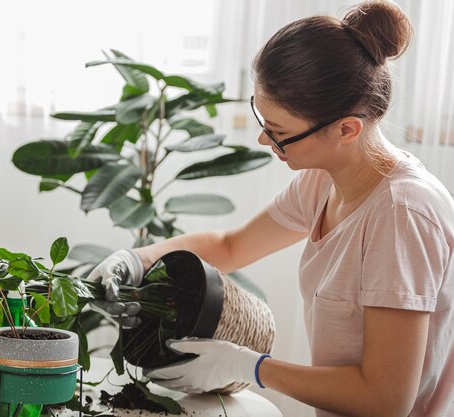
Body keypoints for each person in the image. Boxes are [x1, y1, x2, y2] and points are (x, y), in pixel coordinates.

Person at [87, 1, 454, 416]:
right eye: (263, 121)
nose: (265, 141)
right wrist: (134, 260)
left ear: (346, 129)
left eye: (279, 133)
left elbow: (386, 400)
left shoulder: (401, 214)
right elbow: (230, 245)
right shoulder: (323, 181)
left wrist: (248, 366)